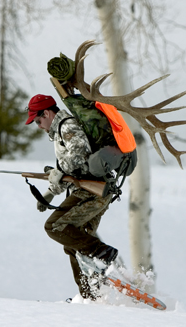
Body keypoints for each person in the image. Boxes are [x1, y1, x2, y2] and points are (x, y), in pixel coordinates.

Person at [25, 93, 119, 300]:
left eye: (38, 120)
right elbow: (69, 173)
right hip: (98, 190)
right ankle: (90, 296)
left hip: (93, 191)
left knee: (54, 227)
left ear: (47, 113)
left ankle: (103, 253)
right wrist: (51, 192)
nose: (39, 125)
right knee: (74, 242)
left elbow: (79, 155)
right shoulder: (61, 130)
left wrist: (58, 172)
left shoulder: (67, 126)